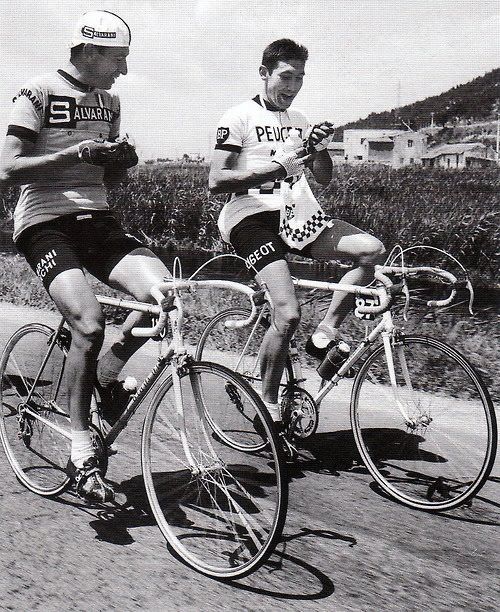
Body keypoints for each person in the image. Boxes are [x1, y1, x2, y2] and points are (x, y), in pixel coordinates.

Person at [0, 11, 171, 502]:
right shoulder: (37, 92)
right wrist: (71, 157)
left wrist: (120, 163)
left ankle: (105, 372)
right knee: (89, 323)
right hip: (43, 223)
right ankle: (80, 444)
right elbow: (8, 167)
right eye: (118, 59)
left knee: (165, 299)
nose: (122, 70)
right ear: (89, 52)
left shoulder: (109, 101)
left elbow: (106, 180)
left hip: (96, 219)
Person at [209, 39, 385, 424]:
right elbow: (216, 180)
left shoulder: (300, 120)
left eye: (300, 78)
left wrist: (318, 147)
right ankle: (266, 403)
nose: (292, 87)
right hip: (249, 216)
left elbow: (323, 179)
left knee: (370, 250)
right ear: (264, 73)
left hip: (296, 214)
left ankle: (324, 333)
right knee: (287, 315)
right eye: (286, 77)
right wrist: (276, 169)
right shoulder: (238, 117)